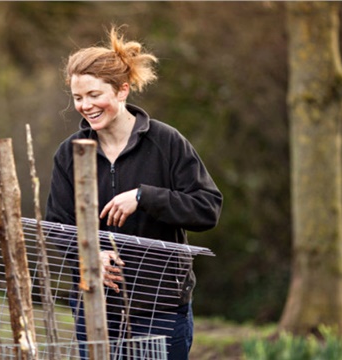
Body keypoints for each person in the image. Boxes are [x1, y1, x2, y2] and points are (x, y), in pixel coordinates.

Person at [45, 26, 223, 359]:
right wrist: (89, 255)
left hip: (161, 307)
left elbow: (207, 208)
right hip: (93, 304)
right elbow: (57, 224)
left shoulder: (167, 143)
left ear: (123, 90)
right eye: (78, 97)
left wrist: (144, 197)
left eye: (94, 95)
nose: (85, 106)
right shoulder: (69, 152)